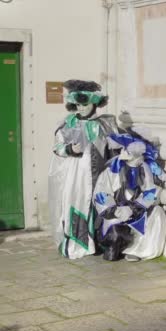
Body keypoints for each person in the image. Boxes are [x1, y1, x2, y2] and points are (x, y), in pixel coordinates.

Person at [48, 80, 119, 259]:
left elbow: (115, 149)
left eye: (84, 104)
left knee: (100, 204)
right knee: (76, 202)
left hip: (100, 175)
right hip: (75, 176)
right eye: (77, 104)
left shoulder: (105, 124)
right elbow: (58, 148)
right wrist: (70, 149)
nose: (80, 108)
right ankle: (79, 243)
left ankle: (102, 242)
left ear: (95, 103)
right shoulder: (69, 123)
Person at [93, 129, 166, 261]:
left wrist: (133, 209)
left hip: (137, 211)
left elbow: (150, 193)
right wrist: (116, 210)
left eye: (126, 150)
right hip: (116, 211)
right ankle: (116, 246)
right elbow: (101, 192)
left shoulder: (145, 169)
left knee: (157, 213)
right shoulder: (113, 169)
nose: (122, 152)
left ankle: (138, 250)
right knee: (115, 234)